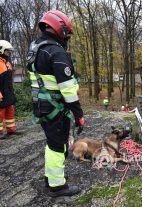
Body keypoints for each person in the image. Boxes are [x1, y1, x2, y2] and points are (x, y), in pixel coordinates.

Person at [26, 10, 84, 197]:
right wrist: (78, 114)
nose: (66, 37)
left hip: (41, 106)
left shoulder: (36, 47)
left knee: (52, 144)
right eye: (66, 32)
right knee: (58, 147)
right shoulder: (55, 51)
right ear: (59, 26)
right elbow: (67, 89)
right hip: (55, 108)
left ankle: (50, 179)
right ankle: (57, 187)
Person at [0, 40, 20, 140]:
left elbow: (8, 80)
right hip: (1, 93)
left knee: (10, 111)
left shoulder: (7, 63)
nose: (9, 53)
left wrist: (12, 91)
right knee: (0, 113)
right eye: (7, 51)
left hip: (8, 92)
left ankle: (11, 129)